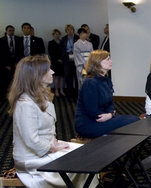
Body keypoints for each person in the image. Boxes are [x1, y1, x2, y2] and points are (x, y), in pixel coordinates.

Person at [8, 55, 98, 187]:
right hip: (31, 158)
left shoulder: (43, 96)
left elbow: (48, 130)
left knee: (88, 152)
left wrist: (54, 143)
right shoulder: (25, 103)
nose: (53, 72)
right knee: (81, 161)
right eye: (48, 69)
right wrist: (53, 147)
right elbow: (31, 140)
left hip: (46, 149)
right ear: (36, 75)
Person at [75, 50, 138, 138]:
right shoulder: (90, 83)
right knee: (133, 121)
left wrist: (110, 114)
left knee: (135, 120)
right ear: (97, 63)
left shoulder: (106, 80)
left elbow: (110, 104)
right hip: (89, 123)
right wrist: (110, 115)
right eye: (108, 59)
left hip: (104, 118)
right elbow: (92, 110)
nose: (111, 61)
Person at [0, 25, 19, 99]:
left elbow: (20, 51)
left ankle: (15, 96)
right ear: (6, 31)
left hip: (16, 63)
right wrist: (5, 64)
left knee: (16, 80)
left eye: (13, 30)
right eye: (10, 30)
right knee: (5, 80)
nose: (11, 32)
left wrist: (17, 62)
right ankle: (3, 96)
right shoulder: (1, 40)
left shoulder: (18, 39)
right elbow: (1, 54)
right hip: (6, 63)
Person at [60, 24, 79, 96]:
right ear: (66, 31)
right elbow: (61, 49)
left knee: (77, 75)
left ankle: (77, 92)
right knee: (68, 75)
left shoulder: (77, 38)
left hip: (76, 58)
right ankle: (70, 92)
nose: (70, 31)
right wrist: (62, 58)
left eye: (71, 29)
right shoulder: (64, 39)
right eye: (68, 30)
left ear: (73, 30)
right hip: (67, 58)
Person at [48, 29, 66, 97]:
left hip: (62, 62)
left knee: (62, 77)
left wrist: (62, 59)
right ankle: (56, 90)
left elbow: (64, 52)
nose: (57, 35)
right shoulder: (51, 42)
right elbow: (51, 53)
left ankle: (61, 90)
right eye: (56, 34)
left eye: (58, 34)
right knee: (56, 77)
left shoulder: (62, 42)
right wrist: (57, 59)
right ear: (53, 35)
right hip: (55, 62)